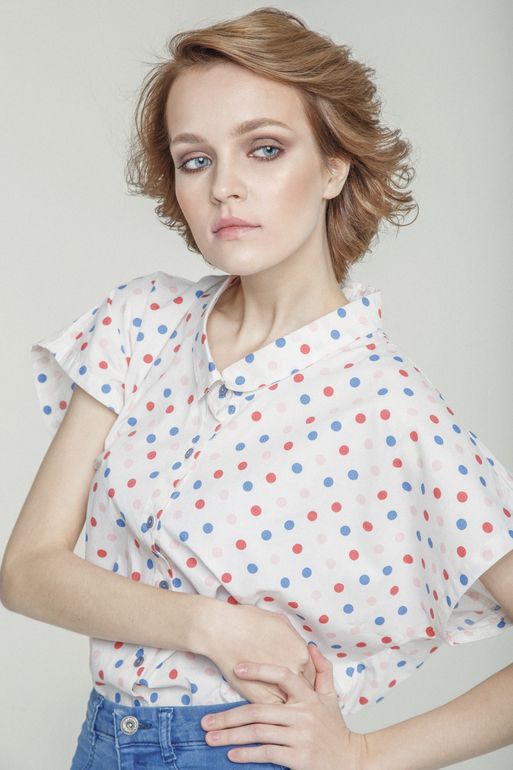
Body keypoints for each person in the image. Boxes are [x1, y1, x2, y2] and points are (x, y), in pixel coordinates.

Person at [1, 7, 512, 769]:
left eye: (264, 149)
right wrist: (212, 625)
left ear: (334, 167)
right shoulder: (141, 322)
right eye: (194, 159)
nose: (224, 188)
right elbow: (27, 571)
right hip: (103, 741)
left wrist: (364, 755)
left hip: (242, 751)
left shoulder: (385, 402)